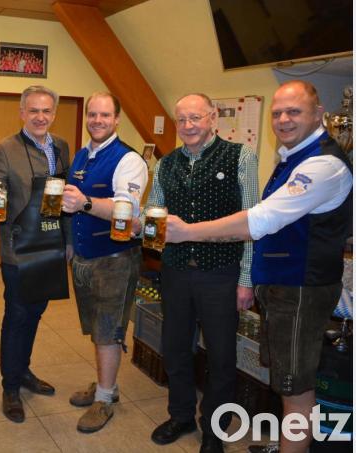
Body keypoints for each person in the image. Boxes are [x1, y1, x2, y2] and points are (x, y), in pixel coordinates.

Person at [164, 81, 352, 453]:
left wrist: (188, 232)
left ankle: (234, 436)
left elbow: (258, 221)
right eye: (278, 112)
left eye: (294, 111)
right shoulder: (291, 158)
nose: (283, 119)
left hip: (298, 288)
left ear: (318, 115)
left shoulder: (321, 164)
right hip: (280, 289)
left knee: (294, 389)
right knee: (289, 384)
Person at [143, 93, 259, 453]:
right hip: (176, 271)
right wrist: (144, 225)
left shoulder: (241, 156)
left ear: (212, 118)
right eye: (183, 120)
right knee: (175, 348)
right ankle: (180, 416)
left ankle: (214, 430)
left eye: (196, 117)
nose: (189, 126)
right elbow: (153, 209)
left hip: (221, 273)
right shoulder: (166, 164)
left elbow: (252, 222)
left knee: (221, 357)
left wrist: (246, 278)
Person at [0, 85, 71, 423]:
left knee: (35, 314)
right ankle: (11, 386)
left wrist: (69, 241)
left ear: (54, 113)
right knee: (17, 317)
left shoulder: (61, 146)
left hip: (50, 246)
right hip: (18, 249)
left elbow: (65, 198)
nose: (40, 117)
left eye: (46, 110)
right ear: (22, 113)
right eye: (33, 110)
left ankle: (25, 371)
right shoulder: (4, 148)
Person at [61, 92, 148, 433]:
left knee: (108, 333)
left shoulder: (129, 160)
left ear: (117, 120)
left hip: (114, 260)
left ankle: (106, 398)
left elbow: (126, 210)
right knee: (97, 330)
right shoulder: (83, 154)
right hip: (84, 258)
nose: (97, 120)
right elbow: (68, 202)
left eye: (105, 115)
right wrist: (70, 243)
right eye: (92, 114)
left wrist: (85, 203)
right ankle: (104, 385)